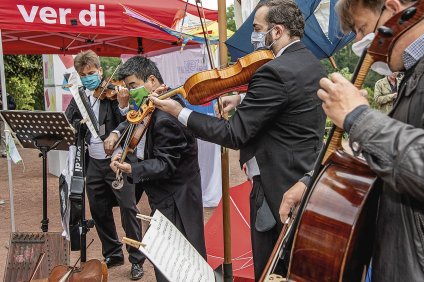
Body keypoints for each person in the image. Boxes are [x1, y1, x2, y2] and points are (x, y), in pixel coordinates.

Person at [280, 0, 424, 280]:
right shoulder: (422, 68)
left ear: (393, 8)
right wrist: (314, 183)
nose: (360, 42)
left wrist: (358, 117)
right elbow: (406, 157)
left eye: (362, 28)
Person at [149, 0, 328, 279]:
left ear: (277, 31)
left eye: (257, 29)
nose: (254, 36)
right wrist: (242, 97)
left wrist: (180, 112)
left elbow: (233, 134)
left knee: (270, 270)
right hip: (302, 176)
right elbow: (289, 103)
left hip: (273, 186)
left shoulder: (273, 71)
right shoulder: (311, 65)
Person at [106, 56, 206, 282]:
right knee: (168, 262)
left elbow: (165, 164)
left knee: (180, 264)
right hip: (165, 196)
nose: (130, 93)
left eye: (133, 86)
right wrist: (118, 137)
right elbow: (133, 121)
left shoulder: (167, 116)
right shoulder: (155, 102)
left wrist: (131, 168)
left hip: (176, 198)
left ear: (151, 80)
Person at [65, 50, 145, 280]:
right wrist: (75, 125)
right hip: (95, 163)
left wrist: (122, 105)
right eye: (83, 74)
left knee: (129, 210)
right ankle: (113, 253)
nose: (88, 77)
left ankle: (137, 259)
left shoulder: (115, 93)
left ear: (100, 71)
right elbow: (69, 120)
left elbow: (131, 119)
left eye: (91, 73)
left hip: (118, 161)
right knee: (99, 210)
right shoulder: (80, 96)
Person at [0, 92, 16, 157]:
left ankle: (3, 151)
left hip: (3, 118)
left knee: (3, 135)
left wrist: (3, 104)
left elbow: (13, 106)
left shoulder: (7, 95)